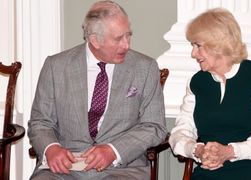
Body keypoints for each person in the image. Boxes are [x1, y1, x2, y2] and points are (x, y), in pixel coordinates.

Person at [28, 1, 166, 179]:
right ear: (94, 40)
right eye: (118, 39)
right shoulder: (56, 66)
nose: (126, 45)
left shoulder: (145, 68)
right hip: (65, 167)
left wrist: (113, 150)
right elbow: (40, 122)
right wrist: (51, 148)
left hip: (123, 168)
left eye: (128, 35)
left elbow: (154, 126)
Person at [169, 8, 251, 180]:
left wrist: (229, 152)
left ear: (218, 44)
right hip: (211, 171)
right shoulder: (196, 82)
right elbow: (180, 132)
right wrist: (198, 150)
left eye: (198, 46)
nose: (193, 53)